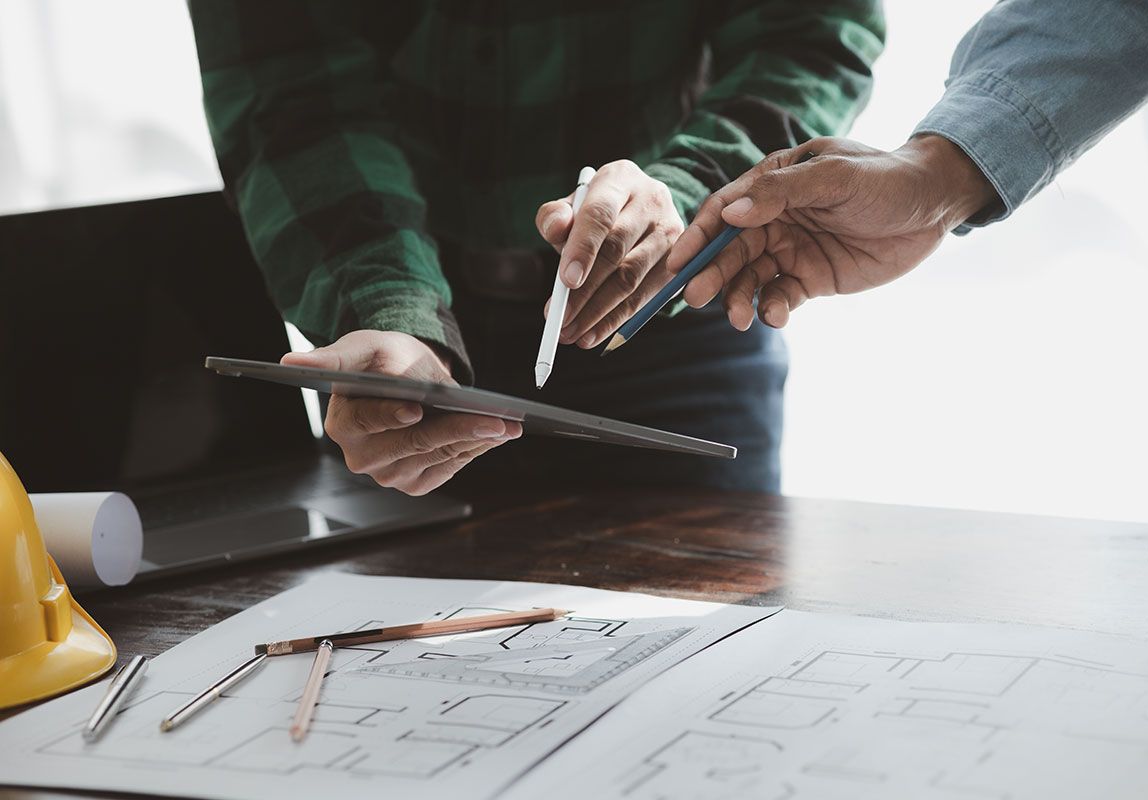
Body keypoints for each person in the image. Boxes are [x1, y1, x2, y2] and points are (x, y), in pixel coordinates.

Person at [188, 1, 884, 496]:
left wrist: (685, 194)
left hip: (670, 313)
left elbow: (810, 33)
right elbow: (289, 87)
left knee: (705, 667)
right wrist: (390, 304)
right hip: (405, 345)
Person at [667, 0, 1148, 331]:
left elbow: (809, 33)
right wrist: (935, 179)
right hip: (711, 271)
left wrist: (677, 194)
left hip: (695, 288)